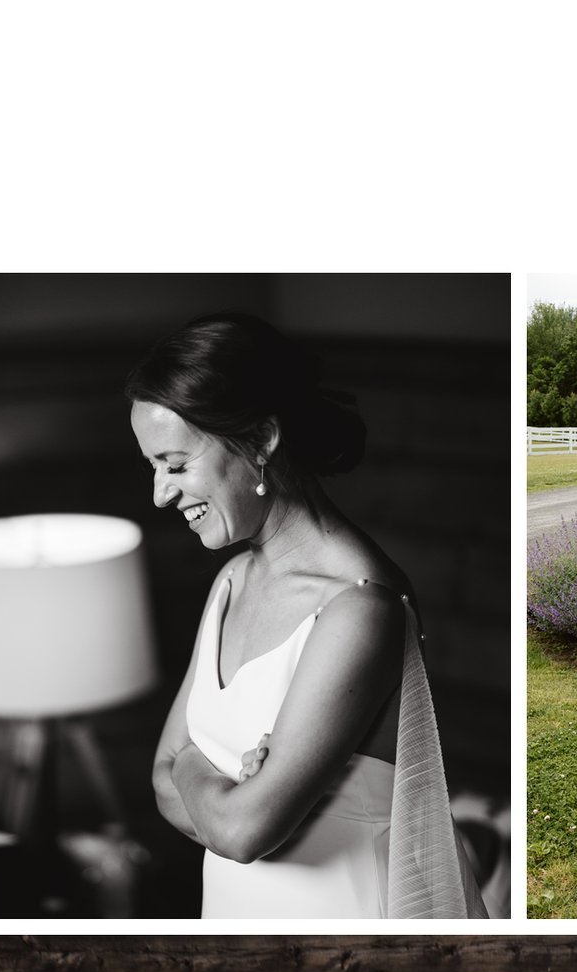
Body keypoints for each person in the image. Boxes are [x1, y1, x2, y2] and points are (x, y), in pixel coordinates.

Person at [126, 313, 476, 922]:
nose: (160, 494)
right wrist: (226, 788)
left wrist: (194, 765)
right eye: (153, 467)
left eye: (176, 465)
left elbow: (239, 833)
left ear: (261, 440)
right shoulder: (233, 581)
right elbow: (158, 784)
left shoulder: (359, 608)